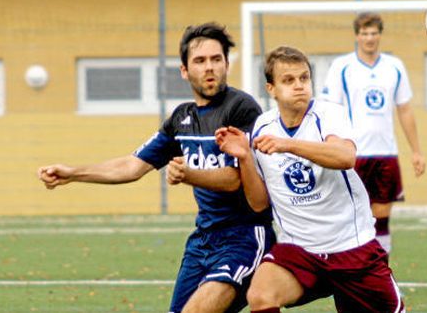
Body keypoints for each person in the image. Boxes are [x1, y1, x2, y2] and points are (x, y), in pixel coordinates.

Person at [37, 22, 275, 313]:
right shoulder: (181, 118)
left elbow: (236, 179)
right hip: (202, 242)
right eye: (200, 61)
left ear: (227, 64)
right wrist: (73, 173)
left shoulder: (241, 108)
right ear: (185, 71)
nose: (209, 67)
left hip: (244, 236)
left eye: (216, 59)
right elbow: (132, 166)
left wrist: (189, 174)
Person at [216, 46, 404, 313]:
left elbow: (345, 156)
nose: (299, 86)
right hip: (300, 251)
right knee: (260, 295)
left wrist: (289, 145)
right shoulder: (262, 127)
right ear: (271, 89)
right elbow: (258, 204)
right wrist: (245, 157)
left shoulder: (328, 114)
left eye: (304, 78)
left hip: (352, 248)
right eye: (288, 80)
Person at [319, 12, 426, 254]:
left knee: (382, 218)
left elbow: (405, 110)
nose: (369, 38)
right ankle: (351, 279)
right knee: (349, 218)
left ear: (380, 35)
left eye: (374, 33)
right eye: (364, 33)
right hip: (353, 154)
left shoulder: (394, 66)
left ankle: (383, 283)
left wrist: (417, 151)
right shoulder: (341, 67)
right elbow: (329, 110)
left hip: (386, 153)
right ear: (357, 36)